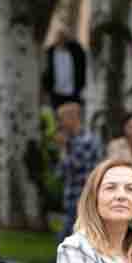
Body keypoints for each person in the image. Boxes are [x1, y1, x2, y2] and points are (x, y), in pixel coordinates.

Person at [55, 103, 104, 244]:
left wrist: (63, 148)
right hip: (71, 196)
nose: (60, 124)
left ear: (73, 118)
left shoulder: (86, 141)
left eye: (61, 119)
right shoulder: (71, 140)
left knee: (71, 238)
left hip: (82, 197)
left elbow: (75, 167)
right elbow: (60, 173)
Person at [43, 27, 87, 109]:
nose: (61, 39)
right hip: (56, 94)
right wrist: (46, 90)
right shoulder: (49, 52)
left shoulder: (77, 51)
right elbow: (45, 71)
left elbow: (83, 68)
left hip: (73, 94)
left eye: (64, 37)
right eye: (59, 37)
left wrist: (82, 87)